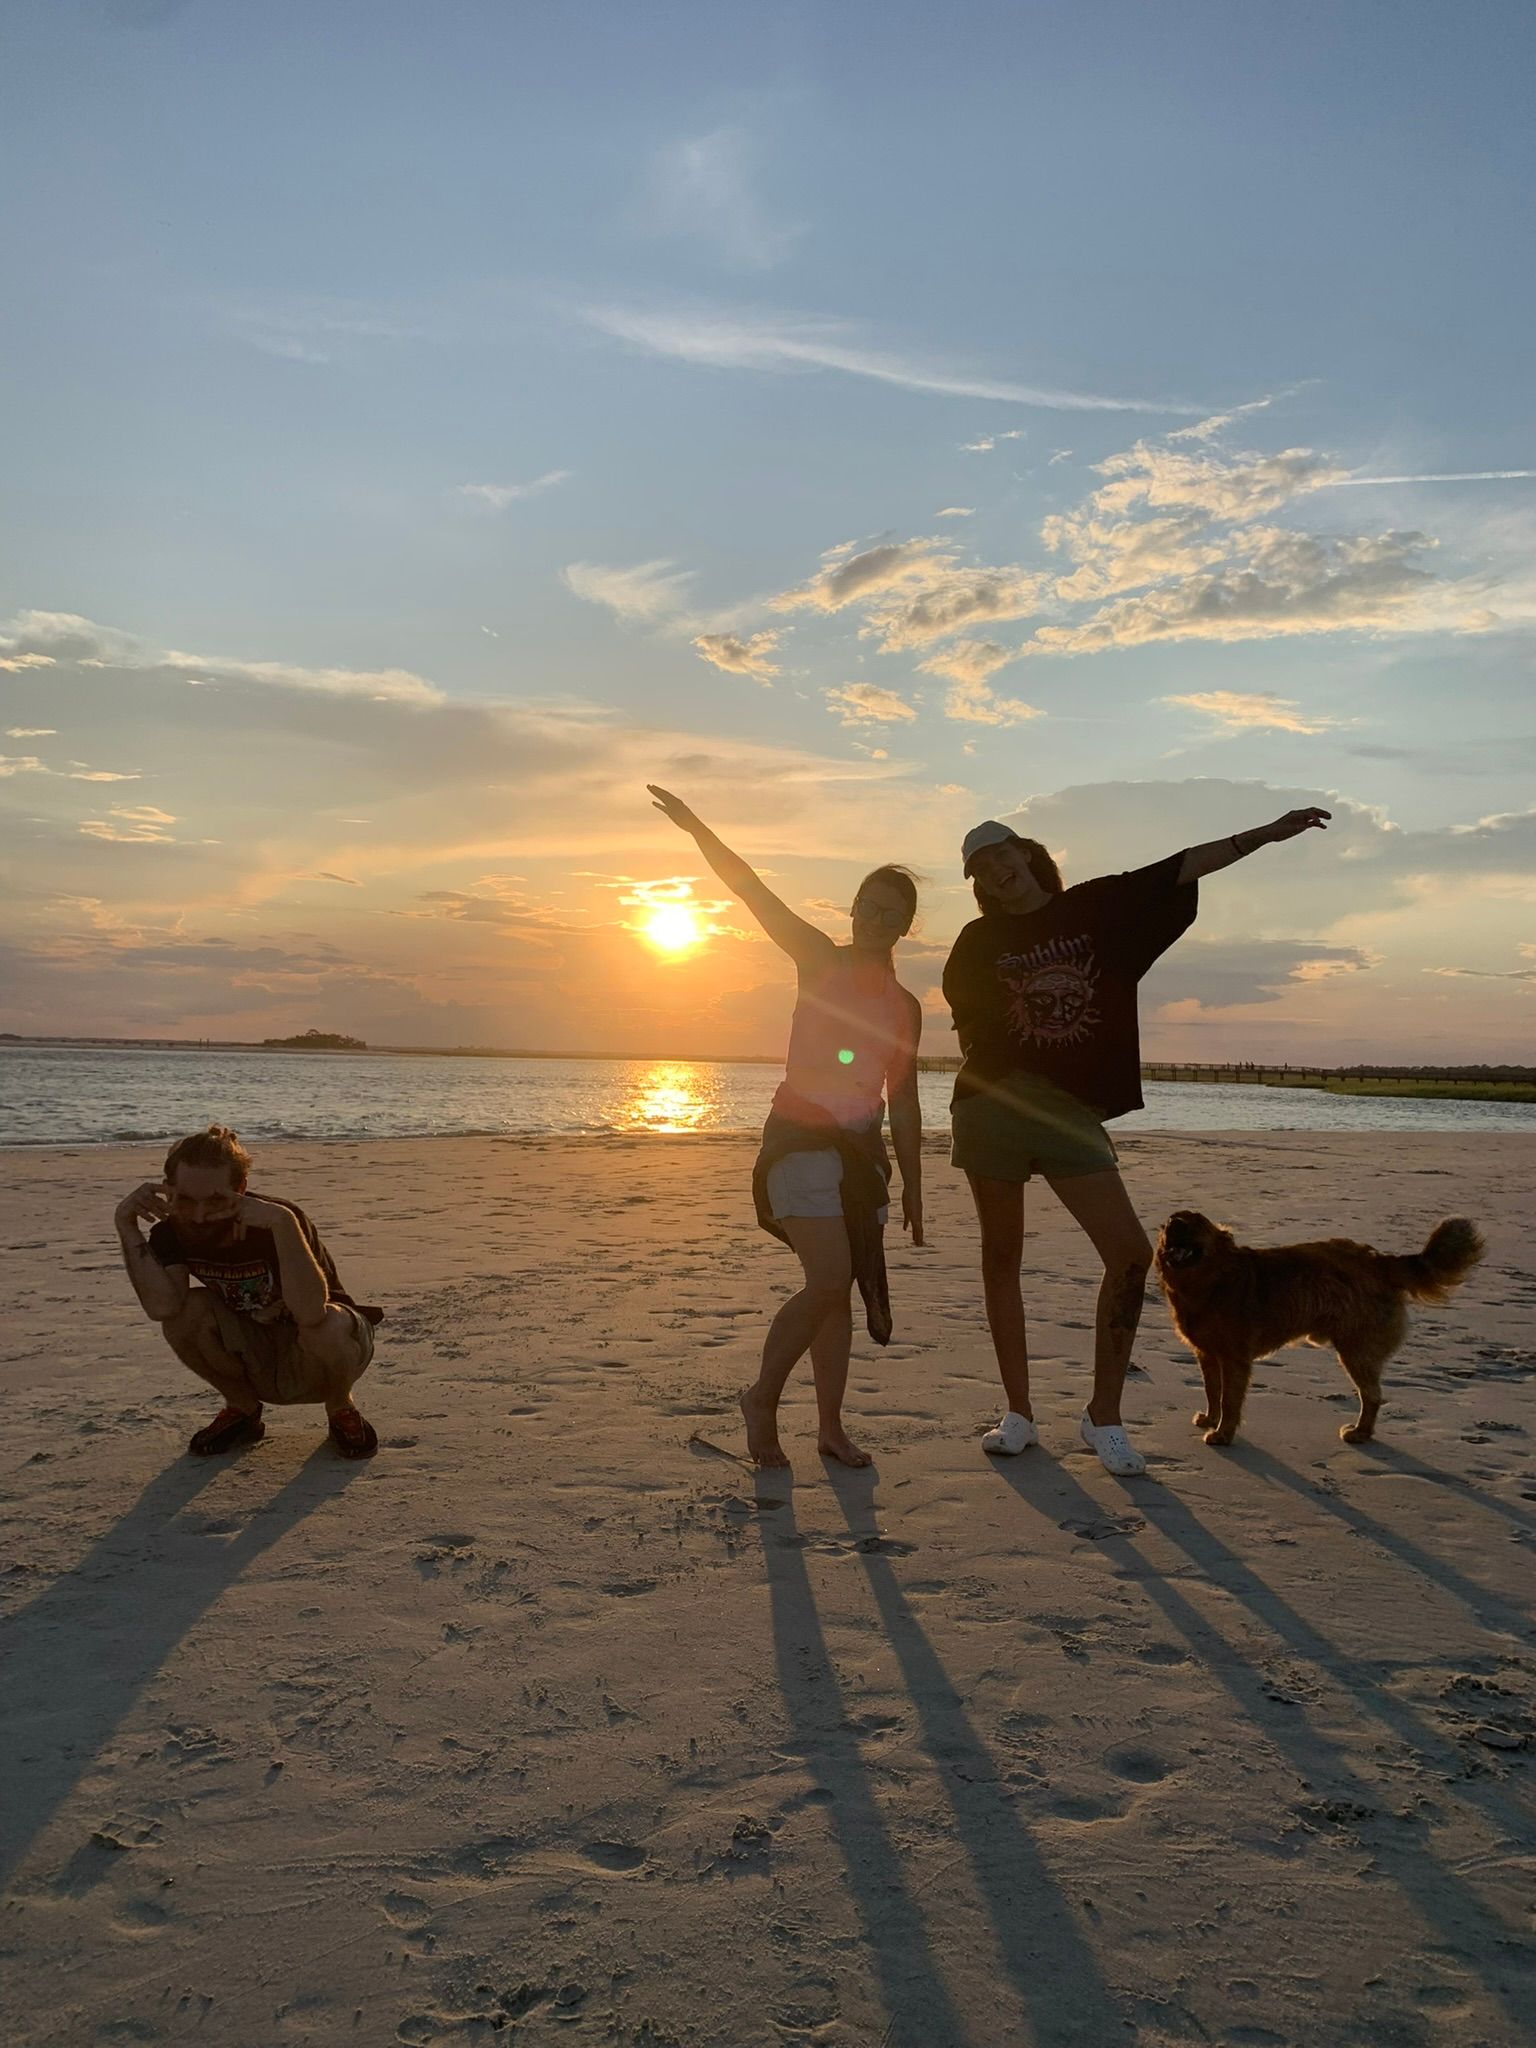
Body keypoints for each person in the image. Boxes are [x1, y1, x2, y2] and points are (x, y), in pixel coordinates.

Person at [942, 805, 1329, 1475]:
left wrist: (1260, 835)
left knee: (1127, 1255)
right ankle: (1019, 1413)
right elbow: (965, 1017)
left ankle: (1104, 1416)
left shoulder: (1092, 908)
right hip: (992, 1105)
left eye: (1001, 856)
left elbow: (1177, 869)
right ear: (977, 882)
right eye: (980, 868)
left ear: (1027, 854)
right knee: (1000, 1257)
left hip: (1067, 1112)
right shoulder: (977, 940)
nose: (996, 871)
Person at [648, 785, 924, 1469]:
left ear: (903, 928)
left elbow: (907, 1099)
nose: (877, 921)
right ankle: (761, 1399)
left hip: (862, 1158)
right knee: (829, 1277)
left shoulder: (905, 1005)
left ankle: (830, 1427)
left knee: (840, 1295)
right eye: (870, 907)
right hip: (798, 1138)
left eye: (893, 915)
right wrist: (695, 827)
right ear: (852, 908)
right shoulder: (817, 956)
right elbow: (752, 891)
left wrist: (917, 1186)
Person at [114, 1124, 383, 1459]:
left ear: (240, 1187)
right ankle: (242, 1410)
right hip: (257, 1349)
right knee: (184, 1313)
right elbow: (163, 1308)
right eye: (184, 1199)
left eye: (214, 1200)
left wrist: (284, 1224)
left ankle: (342, 1409)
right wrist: (126, 1226)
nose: (198, 1216)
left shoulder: (276, 1219)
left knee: (326, 1324)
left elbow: (312, 1312)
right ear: (166, 1189)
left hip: (330, 1354)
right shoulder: (172, 1232)